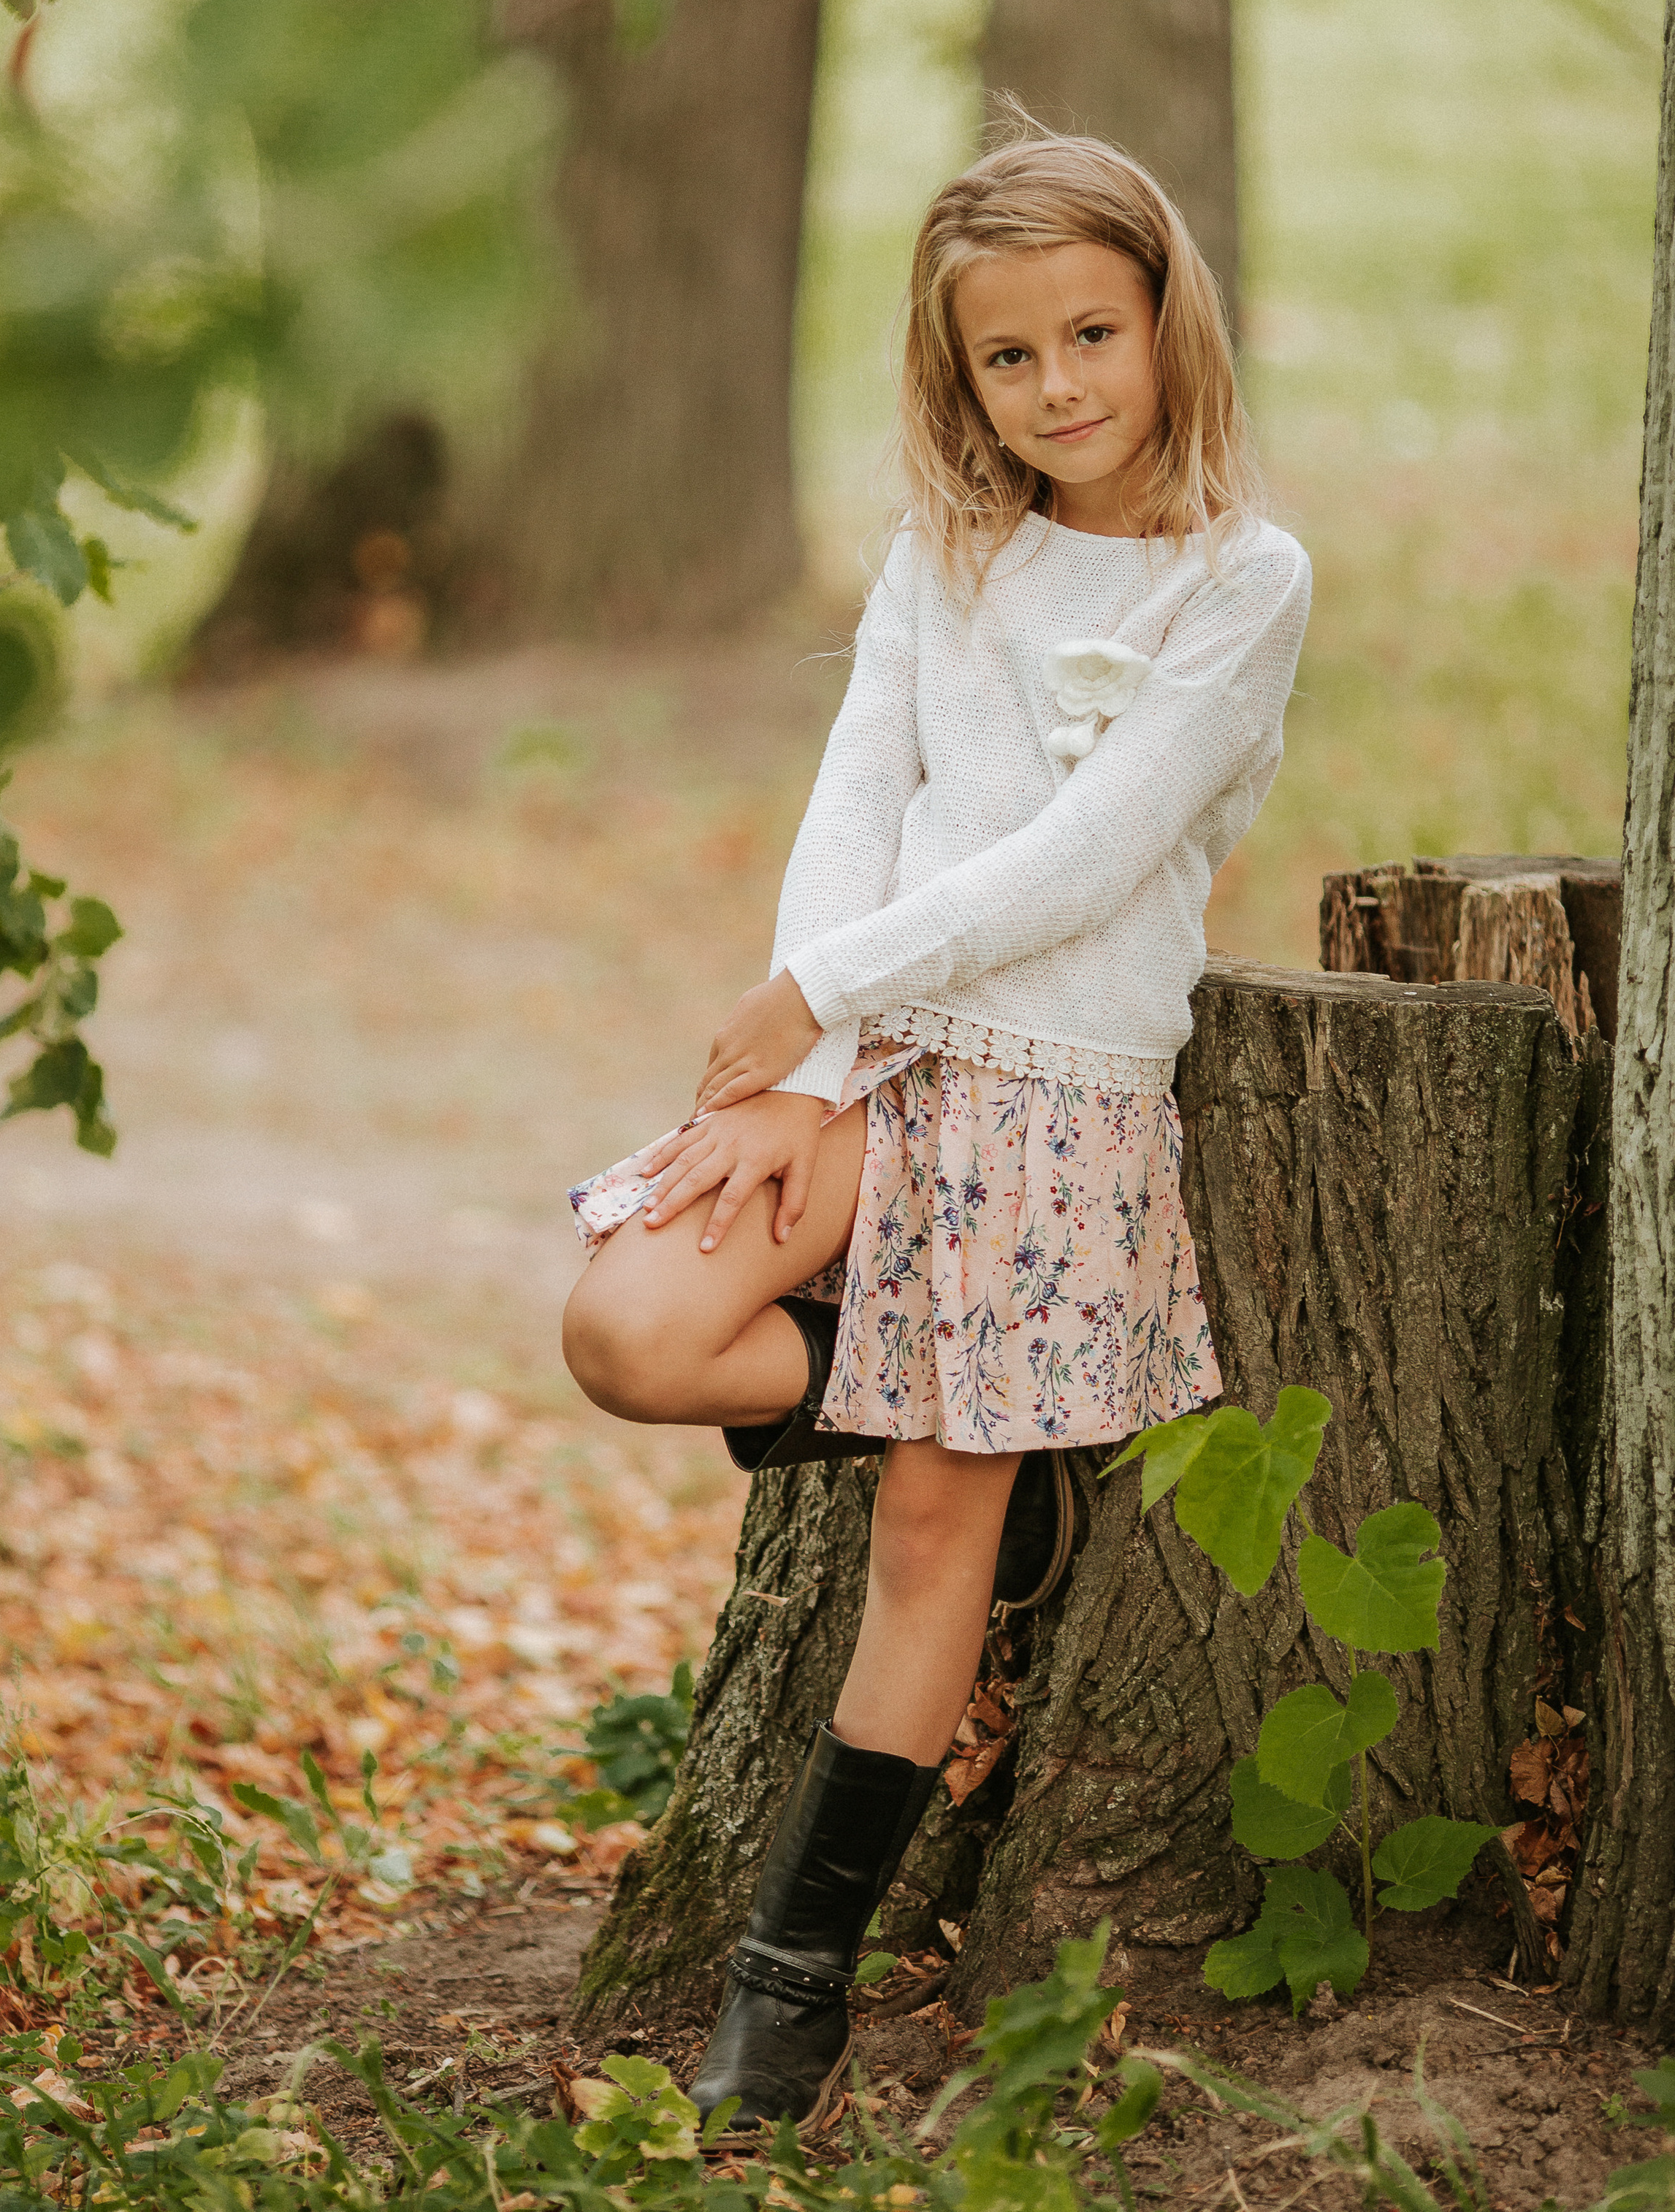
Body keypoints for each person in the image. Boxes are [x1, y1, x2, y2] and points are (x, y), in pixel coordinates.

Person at [561, 130, 1312, 2143]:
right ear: (957, 378)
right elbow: (856, 795)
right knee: (633, 1326)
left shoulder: (1242, 581)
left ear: (1167, 319)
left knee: (922, 1525)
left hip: (1053, 1092)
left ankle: (786, 1981)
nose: (1060, 386)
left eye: (1093, 333)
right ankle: (992, 1422)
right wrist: (811, 1061)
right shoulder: (948, 553)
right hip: (875, 1073)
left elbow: (1084, 857)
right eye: (1008, 359)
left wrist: (830, 995)